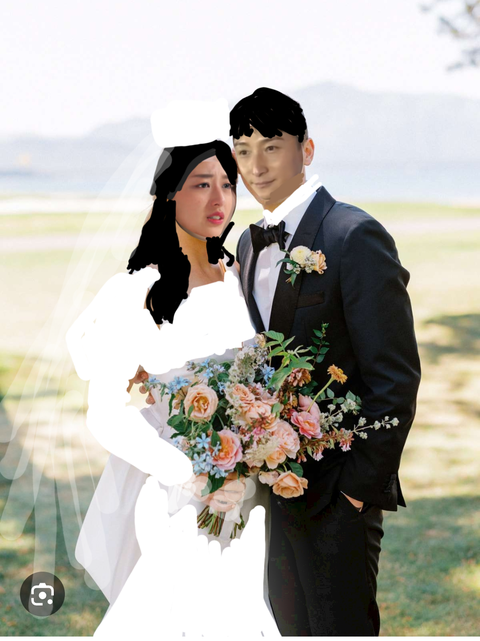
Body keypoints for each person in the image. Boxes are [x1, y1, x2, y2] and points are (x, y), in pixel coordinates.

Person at [70, 101, 280, 637]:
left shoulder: (241, 277)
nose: (219, 199)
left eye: (227, 184)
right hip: (178, 502)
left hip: (248, 499)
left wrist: (253, 458)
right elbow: (106, 415)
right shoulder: (137, 291)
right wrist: (194, 475)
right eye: (201, 184)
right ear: (169, 194)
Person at [230, 87, 422, 636]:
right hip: (271, 494)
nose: (256, 166)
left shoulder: (352, 234)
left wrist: (356, 491)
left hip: (339, 495)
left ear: (306, 149)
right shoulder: (247, 246)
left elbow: (395, 377)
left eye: (272, 146)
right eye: (243, 150)